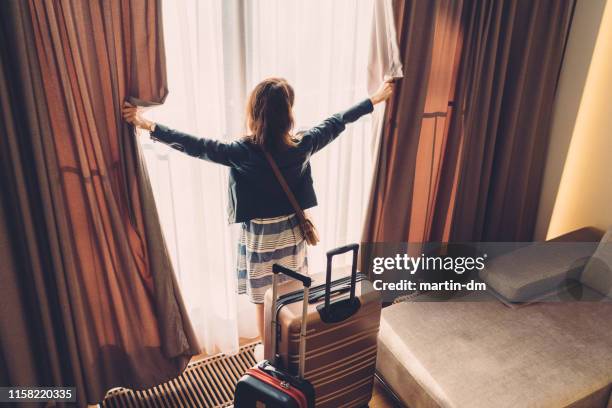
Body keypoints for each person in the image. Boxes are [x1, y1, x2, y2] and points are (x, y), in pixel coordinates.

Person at [122, 77, 394, 342]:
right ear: (288, 115)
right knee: (292, 294)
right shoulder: (302, 145)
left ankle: (269, 356)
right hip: (291, 235)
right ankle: (293, 345)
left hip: (261, 240)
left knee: (264, 300)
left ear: (254, 113)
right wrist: (376, 98)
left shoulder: (241, 152)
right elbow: (337, 121)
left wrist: (147, 124)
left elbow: (196, 146)